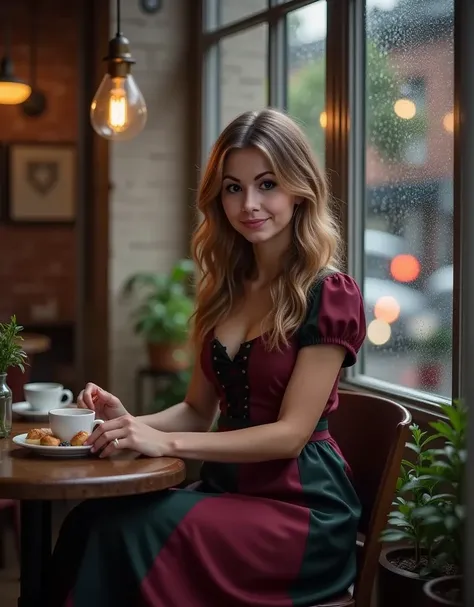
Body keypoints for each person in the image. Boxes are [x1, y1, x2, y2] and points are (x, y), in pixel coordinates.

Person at [48, 108, 366, 607]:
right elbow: (199, 409)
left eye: (267, 184)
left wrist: (164, 440)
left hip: (300, 513)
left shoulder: (329, 293)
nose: (249, 204)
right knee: (90, 519)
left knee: (127, 533)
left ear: (299, 188)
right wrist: (126, 423)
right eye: (233, 187)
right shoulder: (224, 291)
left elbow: (291, 436)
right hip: (227, 493)